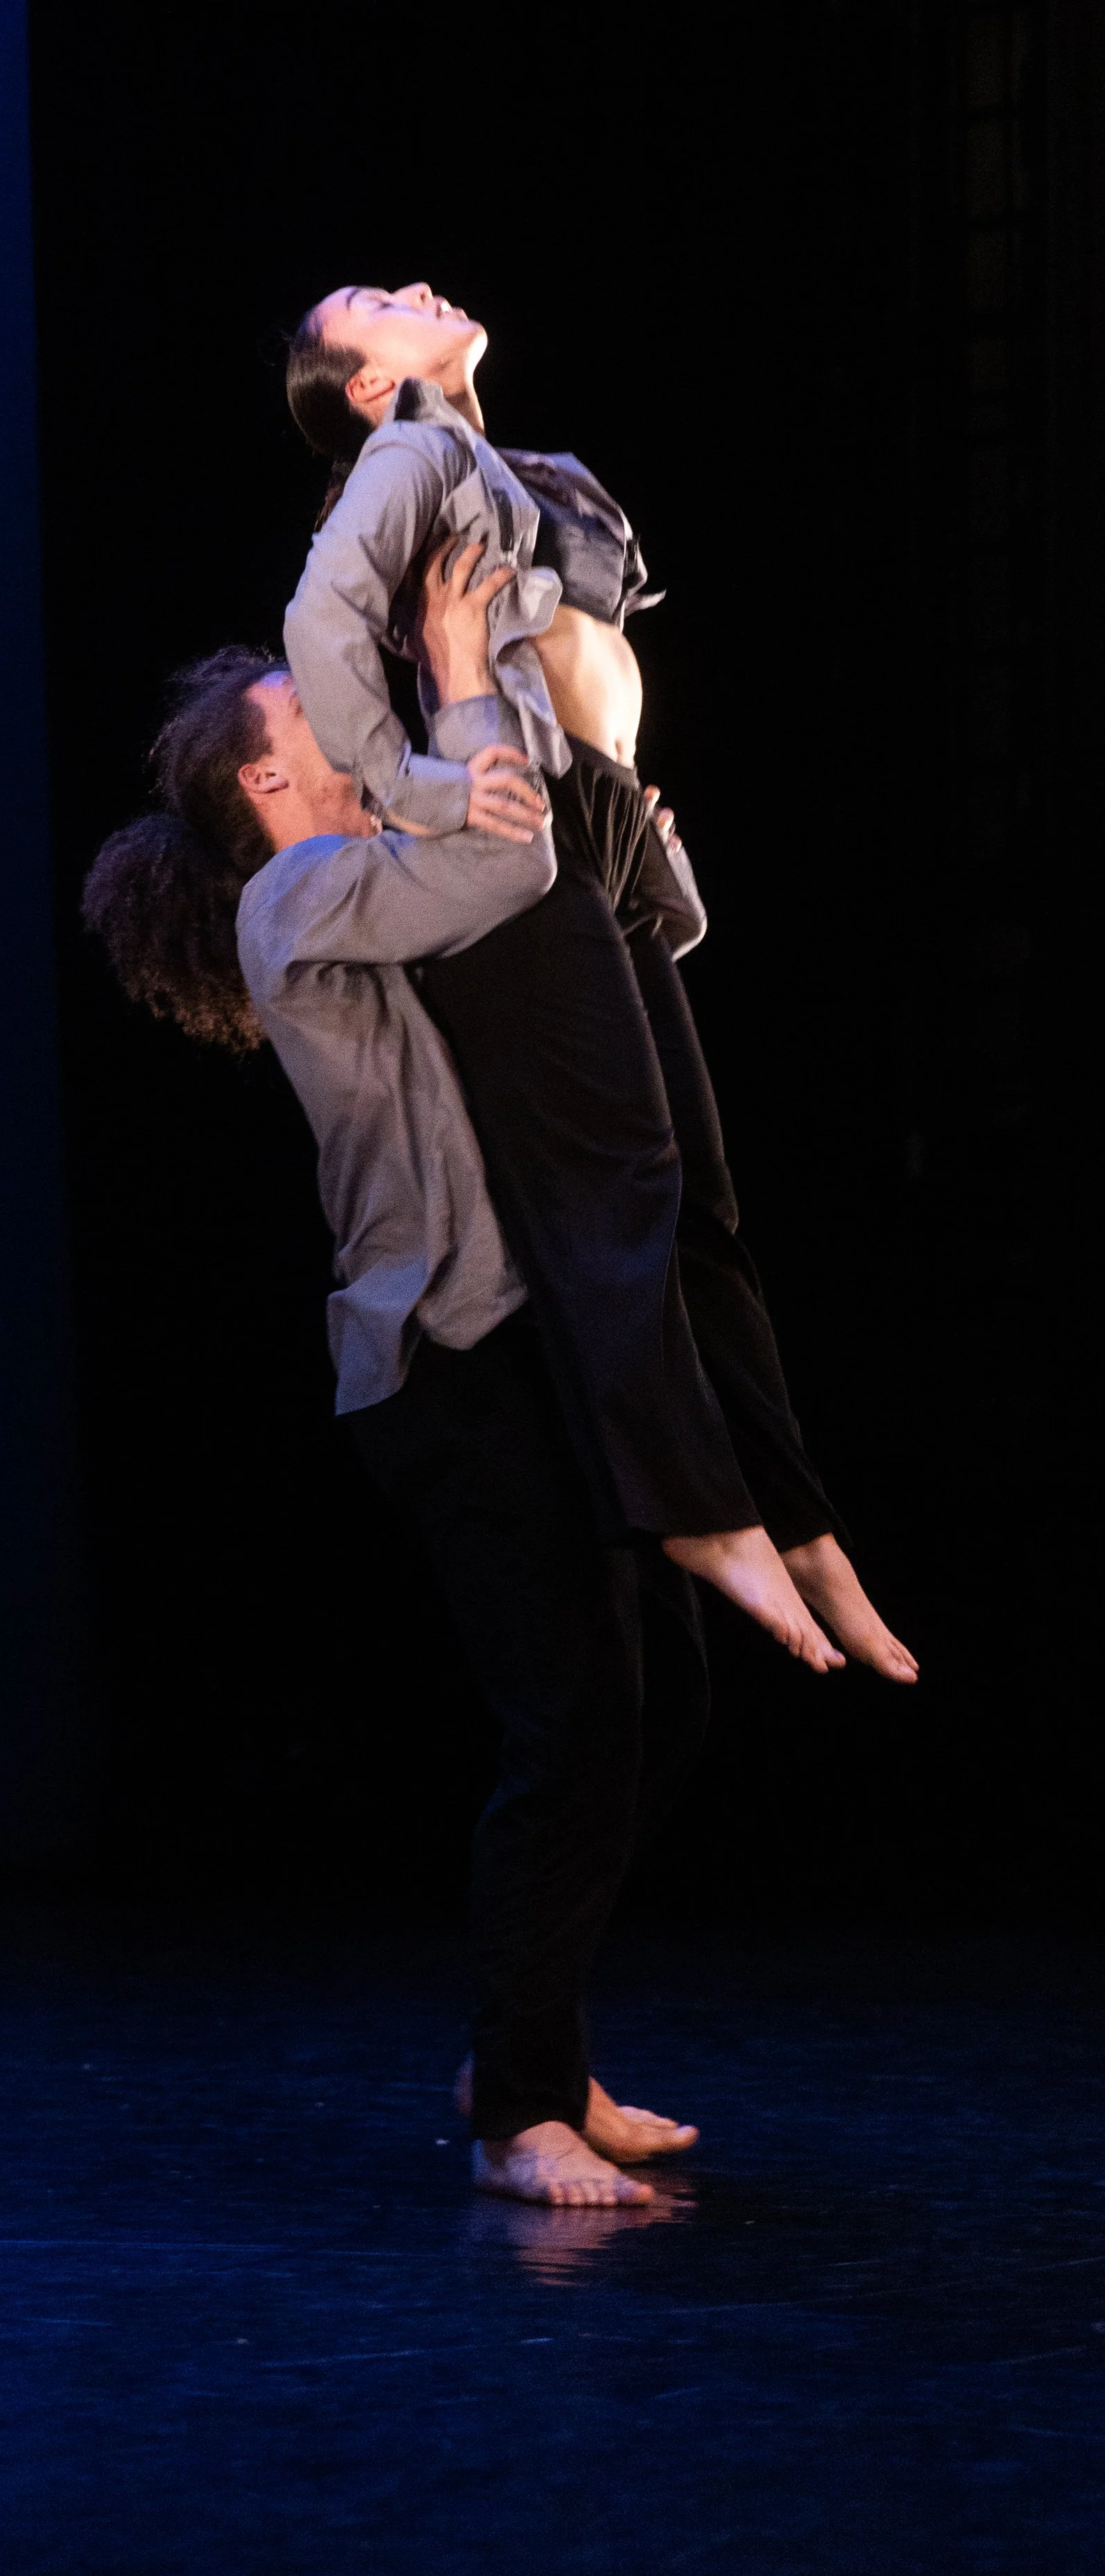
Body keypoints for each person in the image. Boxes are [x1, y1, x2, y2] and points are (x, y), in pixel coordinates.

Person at [85, 556, 723, 2205]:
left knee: (656, 1698)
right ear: (263, 775)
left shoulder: (396, 850)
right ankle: (519, 2107)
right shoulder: (291, 900)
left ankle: (533, 2044)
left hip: (531, 1344)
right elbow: (493, 882)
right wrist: (472, 705)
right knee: (572, 1712)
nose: (339, 703)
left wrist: (605, 810)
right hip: (444, 1364)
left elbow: (642, 933)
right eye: (308, 705)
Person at [283, 282, 915, 1685]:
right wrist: (413, 787)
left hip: (600, 820)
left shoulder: (503, 470)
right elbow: (318, 625)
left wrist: (639, 839)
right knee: (622, 1192)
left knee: (697, 1201)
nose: (415, 290)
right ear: (359, 384)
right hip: (521, 826)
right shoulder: (398, 453)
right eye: (376, 303)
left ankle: (790, 1518)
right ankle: (695, 1510)